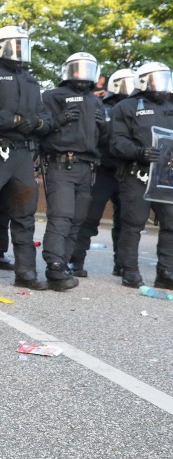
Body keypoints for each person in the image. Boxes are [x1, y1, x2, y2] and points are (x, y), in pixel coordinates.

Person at [0, 26, 50, 290]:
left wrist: (37, 124)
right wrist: (15, 121)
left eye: (22, 45)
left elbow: (45, 118)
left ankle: (26, 272)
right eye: (13, 45)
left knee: (24, 215)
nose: (19, 51)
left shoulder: (30, 80)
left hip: (22, 153)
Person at [39, 52, 107, 291]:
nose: (82, 74)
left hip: (87, 167)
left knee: (78, 219)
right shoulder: (53, 96)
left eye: (86, 69)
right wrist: (60, 119)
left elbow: (105, 141)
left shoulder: (96, 101)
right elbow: (41, 129)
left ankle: (63, 264)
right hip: (61, 163)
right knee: (62, 216)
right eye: (77, 69)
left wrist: (104, 125)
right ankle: (55, 266)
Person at [110, 62, 173, 289]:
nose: (162, 85)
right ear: (143, 81)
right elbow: (116, 142)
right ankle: (130, 270)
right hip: (137, 173)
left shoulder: (171, 104)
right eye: (156, 79)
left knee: (171, 221)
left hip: (166, 175)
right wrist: (139, 152)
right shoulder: (126, 107)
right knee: (133, 223)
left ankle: (166, 272)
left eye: (165, 78)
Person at [69, 68, 134, 278]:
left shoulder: (137, 109)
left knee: (126, 220)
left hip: (128, 171)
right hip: (103, 169)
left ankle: (122, 264)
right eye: (125, 84)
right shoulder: (102, 107)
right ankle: (76, 260)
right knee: (89, 217)